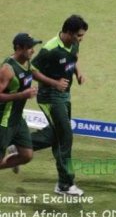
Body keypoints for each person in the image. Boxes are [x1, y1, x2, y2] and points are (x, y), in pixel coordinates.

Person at [30, 15, 88, 196]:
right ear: (68, 33)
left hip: (64, 95)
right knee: (65, 136)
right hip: (49, 96)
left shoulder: (73, 43)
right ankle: (65, 184)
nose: (81, 39)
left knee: (56, 135)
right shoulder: (50, 49)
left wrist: (78, 72)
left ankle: (20, 145)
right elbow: (31, 70)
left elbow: (73, 57)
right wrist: (54, 83)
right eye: (78, 35)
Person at [0, 33, 66, 172]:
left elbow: (35, 73)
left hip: (17, 119)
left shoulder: (26, 62)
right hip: (3, 121)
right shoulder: (7, 70)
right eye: (29, 47)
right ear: (19, 48)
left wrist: (55, 83)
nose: (33, 50)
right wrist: (22, 95)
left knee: (26, 155)